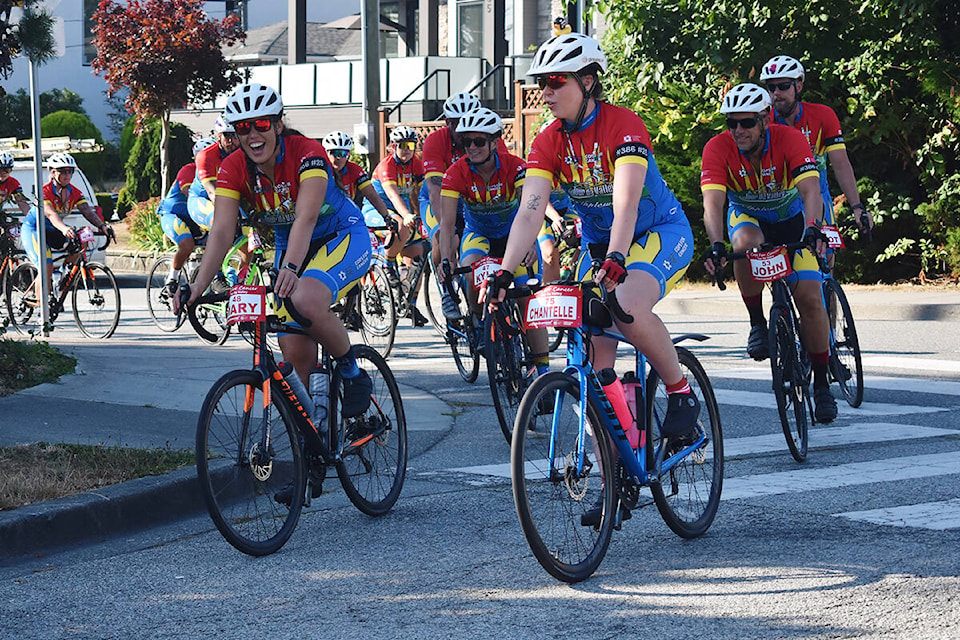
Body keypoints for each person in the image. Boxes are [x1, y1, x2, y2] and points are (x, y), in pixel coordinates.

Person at [486, 33, 701, 527]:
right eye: (541, 83)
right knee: (593, 367)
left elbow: (625, 202)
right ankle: (618, 476)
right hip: (602, 248)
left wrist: (620, 255)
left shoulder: (622, 126)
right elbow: (530, 211)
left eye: (556, 81)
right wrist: (503, 272)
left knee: (625, 304)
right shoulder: (547, 140)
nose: (546, 91)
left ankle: (680, 390)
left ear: (587, 82)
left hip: (655, 233)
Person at [179, 83, 374, 456]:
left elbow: (307, 216)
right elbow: (221, 231)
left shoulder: (308, 153)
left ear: (278, 125)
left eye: (262, 124)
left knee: (306, 296)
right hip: (292, 243)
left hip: (339, 236)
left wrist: (293, 268)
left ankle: (351, 372)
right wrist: (197, 286)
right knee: (294, 350)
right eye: (243, 128)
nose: (253, 135)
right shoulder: (233, 168)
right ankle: (312, 451)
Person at [700, 82, 837, 423]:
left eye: (746, 122)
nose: (738, 130)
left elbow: (810, 189)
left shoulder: (789, 139)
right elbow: (713, 203)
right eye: (731, 123)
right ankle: (757, 322)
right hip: (748, 217)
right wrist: (717, 244)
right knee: (743, 243)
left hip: (791, 222)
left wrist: (812, 226)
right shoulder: (718, 148)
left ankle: (821, 383)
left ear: (764, 119)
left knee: (810, 299)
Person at [437, 107, 549, 370]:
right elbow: (448, 223)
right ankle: (479, 323)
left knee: (527, 301)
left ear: (494, 142)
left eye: (478, 141)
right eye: (466, 142)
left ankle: (543, 371)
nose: (472, 147)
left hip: (514, 234)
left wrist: (532, 243)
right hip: (479, 235)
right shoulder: (455, 172)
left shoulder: (516, 167)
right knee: (473, 277)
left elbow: (528, 209)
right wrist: (446, 259)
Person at [761, 55, 874, 247]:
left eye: (783, 86)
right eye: (771, 88)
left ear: (799, 86)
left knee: (825, 258)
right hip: (782, 200)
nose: (776, 93)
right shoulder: (763, 123)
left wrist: (857, 207)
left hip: (818, 195)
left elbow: (840, 164)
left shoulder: (823, 115)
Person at [362, 125, 429, 325]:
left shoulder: (416, 165)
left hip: (404, 210)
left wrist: (422, 216)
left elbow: (420, 194)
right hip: (377, 209)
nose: (407, 149)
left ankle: (409, 303)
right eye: (402, 145)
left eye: (411, 145)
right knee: (401, 225)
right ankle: (388, 263)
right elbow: (392, 194)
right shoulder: (386, 166)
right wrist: (408, 215)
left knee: (418, 256)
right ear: (393, 146)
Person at [20, 153, 113, 294]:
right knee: (46, 266)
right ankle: (41, 310)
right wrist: (64, 228)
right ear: (53, 172)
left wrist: (102, 226)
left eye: (70, 171)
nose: (67, 174)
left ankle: (62, 276)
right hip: (34, 229)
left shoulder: (73, 192)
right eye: (63, 171)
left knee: (78, 243)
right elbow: (51, 213)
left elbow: (87, 211)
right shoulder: (43, 191)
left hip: (52, 229)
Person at [157, 137, 217, 295]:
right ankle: (172, 277)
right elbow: (188, 193)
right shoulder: (189, 170)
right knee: (187, 244)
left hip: (194, 218)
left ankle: (200, 277)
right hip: (173, 215)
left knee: (216, 241)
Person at [186, 113, 240, 237]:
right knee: (221, 225)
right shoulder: (206, 155)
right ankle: (213, 256)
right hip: (202, 200)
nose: (232, 141)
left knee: (249, 243)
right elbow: (213, 192)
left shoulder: (242, 154)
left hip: (229, 198)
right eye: (227, 136)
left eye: (236, 135)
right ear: (219, 135)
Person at [0, 151, 32, 217]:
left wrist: (32, 219)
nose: (3, 173)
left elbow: (22, 203)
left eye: (6, 170)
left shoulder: (13, 183)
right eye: (0, 169)